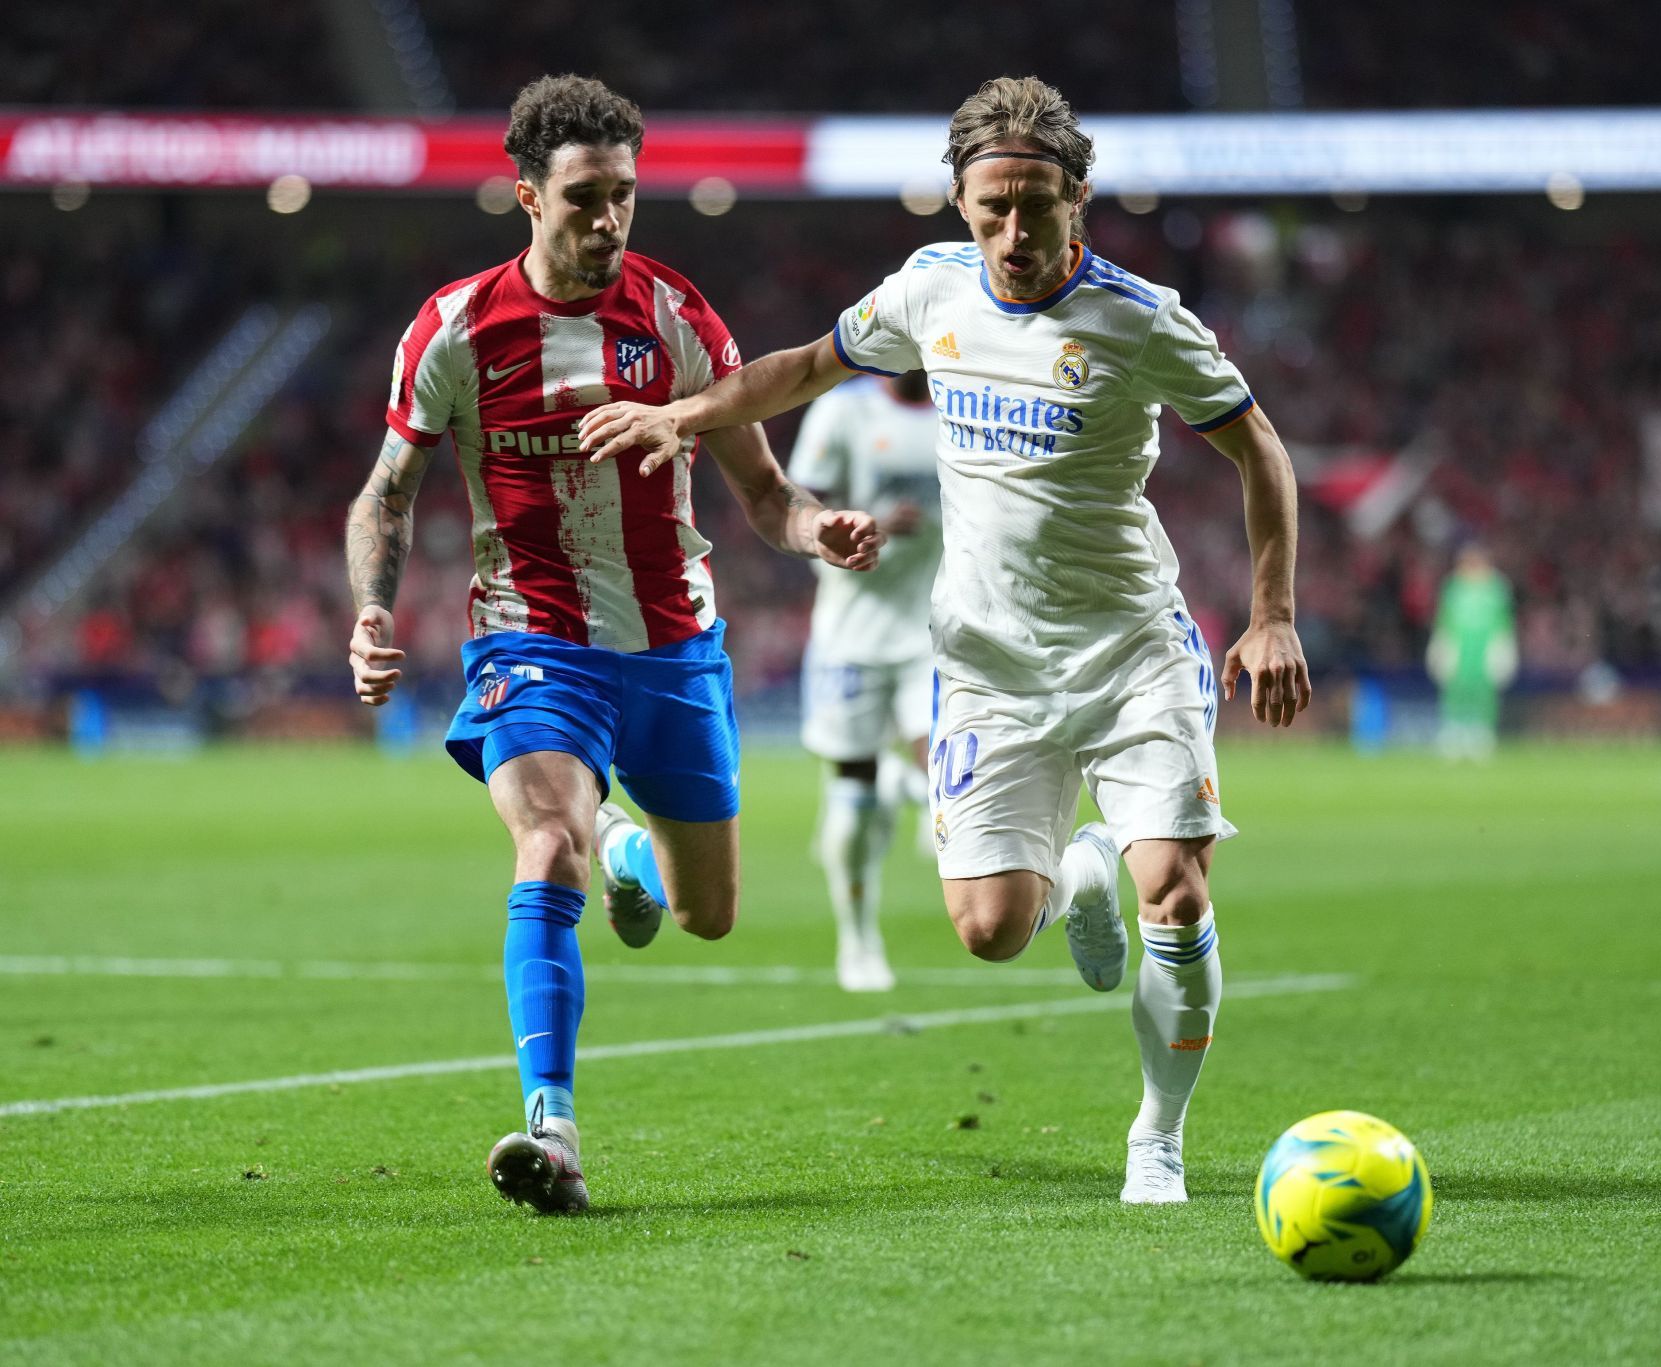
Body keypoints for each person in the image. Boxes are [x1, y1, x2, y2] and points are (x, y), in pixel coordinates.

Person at [577, 75, 1311, 1204]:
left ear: (1081, 196)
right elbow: (807, 367)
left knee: (1178, 888)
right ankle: (1081, 869)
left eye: (1039, 206)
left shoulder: (1141, 317)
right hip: (984, 663)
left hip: (1127, 650)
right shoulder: (930, 292)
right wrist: (687, 412)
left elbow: (1259, 447)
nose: (1015, 233)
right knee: (987, 929)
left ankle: (1157, 1136)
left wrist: (1270, 614)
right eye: (991, 208)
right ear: (958, 203)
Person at [342, 74, 880, 1215]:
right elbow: (388, 493)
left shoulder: (679, 318)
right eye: (584, 198)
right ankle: (555, 1124)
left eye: (624, 197)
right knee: (545, 846)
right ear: (526, 194)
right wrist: (372, 610)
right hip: (533, 641)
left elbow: (764, 492)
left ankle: (628, 843)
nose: (608, 221)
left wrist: (815, 530)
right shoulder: (454, 329)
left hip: (676, 648)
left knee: (709, 912)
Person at [787, 370, 943, 992]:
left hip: (932, 625)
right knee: (850, 802)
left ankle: (921, 787)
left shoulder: (964, 403)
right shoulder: (842, 412)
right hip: (850, 632)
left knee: (945, 766)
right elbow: (800, 504)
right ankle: (857, 939)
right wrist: (867, 520)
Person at [1426, 541, 1518, 761]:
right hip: (1459, 645)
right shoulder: (1453, 587)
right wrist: (1440, 642)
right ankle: (1454, 730)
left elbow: (1505, 619)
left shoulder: (1497, 587)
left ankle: (1482, 731)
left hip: (1485, 645)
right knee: (1455, 686)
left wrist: (1504, 645)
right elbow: (1444, 618)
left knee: (1484, 688)